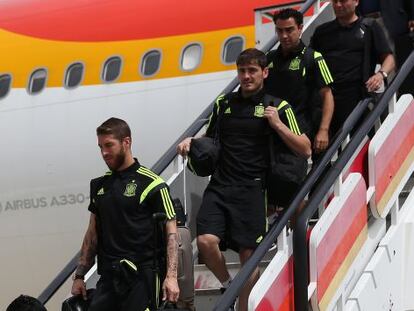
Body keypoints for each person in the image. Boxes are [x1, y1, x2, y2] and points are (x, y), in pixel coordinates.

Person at [177, 48, 311, 311]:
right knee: (205, 242)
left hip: (253, 190)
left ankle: (240, 306)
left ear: (265, 72)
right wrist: (191, 141)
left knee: (249, 258)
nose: (246, 76)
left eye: (252, 71)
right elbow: (210, 137)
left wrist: (277, 124)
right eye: (242, 71)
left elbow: (305, 148)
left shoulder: (278, 106)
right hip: (220, 185)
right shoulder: (224, 103)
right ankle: (229, 285)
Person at [71, 117, 179, 311]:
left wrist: (171, 277)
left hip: (142, 278)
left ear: (126, 142)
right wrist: (80, 275)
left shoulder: (153, 184)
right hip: (109, 277)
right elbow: (92, 234)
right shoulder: (99, 186)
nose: (104, 152)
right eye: (100, 147)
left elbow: (172, 234)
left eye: (109, 145)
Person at [310, 0, 395, 135]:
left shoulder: (370, 27)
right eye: (335, 1)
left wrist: (380, 74)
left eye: (343, 1)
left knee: (365, 145)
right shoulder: (322, 32)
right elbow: (310, 62)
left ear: (356, 1)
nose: (338, 5)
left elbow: (389, 58)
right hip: (326, 100)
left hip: (358, 99)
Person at [265, 8, 334, 157]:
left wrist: (323, 130)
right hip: (273, 132)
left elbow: (327, 95)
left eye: (289, 30)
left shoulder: (313, 57)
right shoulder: (268, 59)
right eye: (280, 30)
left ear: (300, 28)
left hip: (303, 131)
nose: (284, 36)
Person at [359, 0, 414, 95]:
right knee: (376, 66)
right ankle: (388, 101)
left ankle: (403, 99)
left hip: (392, 19)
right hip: (366, 22)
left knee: (399, 64)